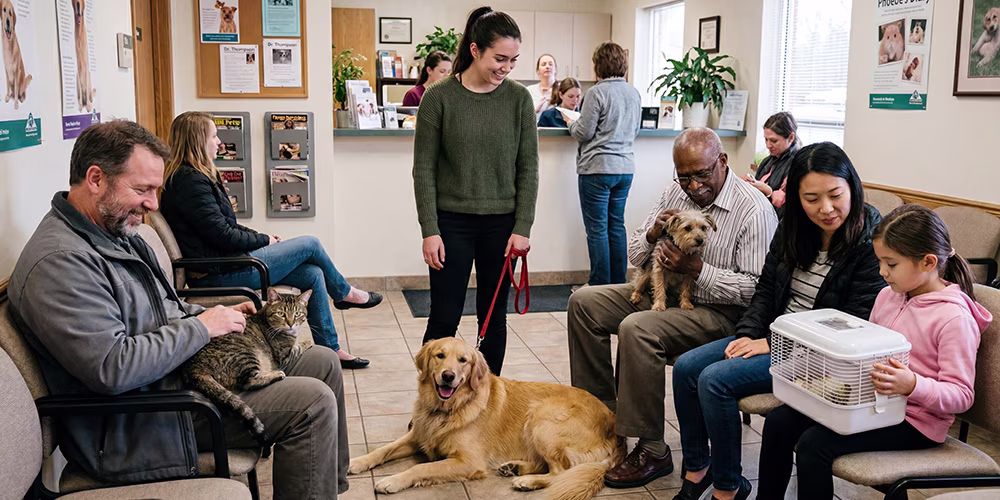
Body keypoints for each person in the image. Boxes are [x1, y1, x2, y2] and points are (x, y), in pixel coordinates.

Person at [6, 120, 350, 499]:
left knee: (322, 361)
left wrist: (211, 314)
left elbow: (163, 305)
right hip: (142, 424)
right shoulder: (60, 262)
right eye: (143, 189)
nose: (154, 204)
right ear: (95, 178)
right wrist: (201, 328)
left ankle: (328, 489)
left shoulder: (112, 232)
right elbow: (112, 368)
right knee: (311, 403)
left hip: (174, 381)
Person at [670, 142, 886, 500]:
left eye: (835, 195)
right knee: (686, 368)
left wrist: (773, 343)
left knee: (714, 380)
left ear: (853, 187)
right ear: (797, 196)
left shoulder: (871, 241)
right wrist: (749, 334)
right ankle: (698, 467)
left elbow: (854, 324)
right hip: (776, 337)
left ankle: (728, 488)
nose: (826, 208)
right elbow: (767, 290)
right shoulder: (792, 228)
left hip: (821, 355)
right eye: (812, 198)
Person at [567, 128, 778, 486]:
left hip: (721, 312)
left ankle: (652, 449)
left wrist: (699, 270)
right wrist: (652, 235)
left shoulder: (753, 210)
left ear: (722, 162)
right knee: (584, 302)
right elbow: (635, 255)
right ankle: (600, 421)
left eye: (701, 175)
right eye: (684, 177)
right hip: (665, 289)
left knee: (638, 327)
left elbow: (760, 291)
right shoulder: (672, 191)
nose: (692, 186)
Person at [757, 204, 993, 500]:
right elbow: (866, 348)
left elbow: (960, 396)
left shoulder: (954, 319)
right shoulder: (888, 296)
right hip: (871, 406)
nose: (882, 272)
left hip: (915, 422)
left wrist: (913, 385)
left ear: (928, 262)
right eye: (880, 261)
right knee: (779, 422)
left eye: (891, 264)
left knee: (814, 445)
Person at [159, 111, 380, 370]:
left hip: (228, 264)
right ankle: (344, 294)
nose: (219, 142)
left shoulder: (197, 177)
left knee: (312, 273)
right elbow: (223, 235)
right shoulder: (189, 181)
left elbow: (227, 227)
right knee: (310, 244)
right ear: (197, 140)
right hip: (218, 273)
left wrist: (263, 239)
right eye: (214, 136)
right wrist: (263, 240)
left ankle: (330, 349)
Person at [413, 6, 538, 376]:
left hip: (502, 226)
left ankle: (487, 405)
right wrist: (429, 230)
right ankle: (430, 407)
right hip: (451, 224)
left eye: (513, 60)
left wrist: (523, 226)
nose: (507, 67)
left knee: (493, 318)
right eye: (500, 58)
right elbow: (423, 170)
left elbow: (528, 167)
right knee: (444, 317)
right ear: (474, 50)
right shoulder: (438, 98)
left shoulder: (518, 99)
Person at [564, 42, 642, 286]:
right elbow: (635, 130)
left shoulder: (596, 93)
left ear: (598, 65)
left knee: (597, 229)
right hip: (625, 169)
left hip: (597, 169)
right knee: (616, 226)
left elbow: (584, 132)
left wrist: (570, 123)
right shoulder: (633, 93)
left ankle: (598, 286)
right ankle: (617, 284)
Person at [743, 112, 801, 218]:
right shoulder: (767, 161)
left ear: (791, 137)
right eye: (766, 139)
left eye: (774, 141)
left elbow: (788, 207)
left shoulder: (798, 164)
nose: (768, 145)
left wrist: (768, 192)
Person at [525, 53, 557, 118]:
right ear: (538, 70)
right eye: (543, 64)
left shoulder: (561, 90)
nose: (547, 67)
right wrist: (536, 109)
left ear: (555, 69)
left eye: (550, 64)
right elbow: (523, 116)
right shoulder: (529, 90)